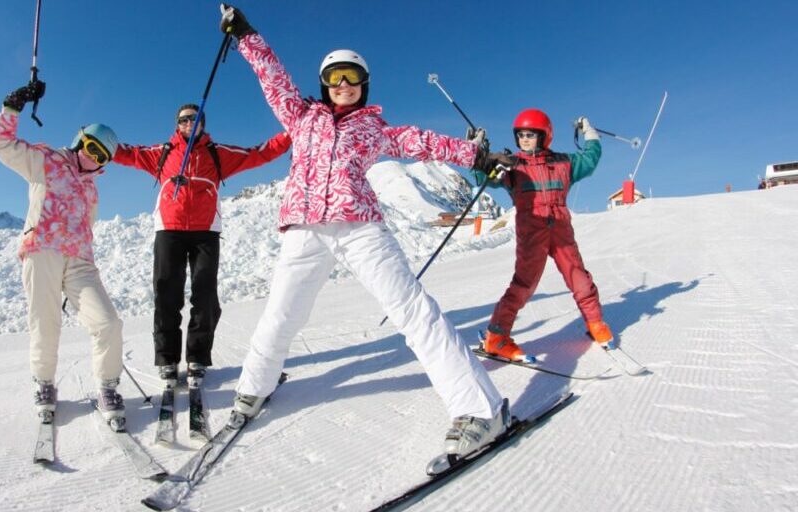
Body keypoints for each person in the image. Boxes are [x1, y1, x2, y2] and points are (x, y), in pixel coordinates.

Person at [218, 4, 512, 457]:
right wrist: (246, 36)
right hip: (304, 228)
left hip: (359, 226)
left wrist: (476, 157)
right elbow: (272, 78)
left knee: (411, 309)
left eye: (351, 78)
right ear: (324, 84)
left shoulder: (373, 129)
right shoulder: (301, 116)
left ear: (364, 84)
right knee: (281, 314)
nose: (343, 86)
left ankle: (480, 408)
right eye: (335, 78)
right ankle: (254, 387)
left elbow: (422, 141)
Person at [112, 105, 290, 390]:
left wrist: (293, 132)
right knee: (166, 294)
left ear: (203, 124)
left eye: (194, 119)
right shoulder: (163, 152)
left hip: (205, 232)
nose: (189, 123)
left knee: (205, 297)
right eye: (183, 119)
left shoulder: (218, 154)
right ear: (177, 124)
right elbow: (127, 154)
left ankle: (197, 358)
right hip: (169, 230)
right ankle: (167, 360)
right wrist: (97, 141)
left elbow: (259, 154)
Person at [0, 80, 126, 426]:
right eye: (91, 148)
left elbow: (87, 228)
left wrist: (74, 276)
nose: (93, 159)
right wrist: (11, 107)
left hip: (80, 262)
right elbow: (2, 145)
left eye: (101, 157)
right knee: (45, 324)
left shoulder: (92, 191)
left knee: (108, 322)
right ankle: (45, 384)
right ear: (80, 141)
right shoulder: (45, 161)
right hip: (42, 252)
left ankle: (107, 387)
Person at [474, 109, 613, 362]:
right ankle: (497, 337)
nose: (525, 139)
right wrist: (475, 151)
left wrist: (590, 134)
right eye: (521, 135)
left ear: (544, 136)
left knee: (579, 278)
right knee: (523, 286)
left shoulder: (563, 163)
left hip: (561, 231)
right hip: (532, 233)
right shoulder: (512, 166)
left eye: (531, 135)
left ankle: (595, 322)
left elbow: (590, 160)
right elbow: (483, 178)